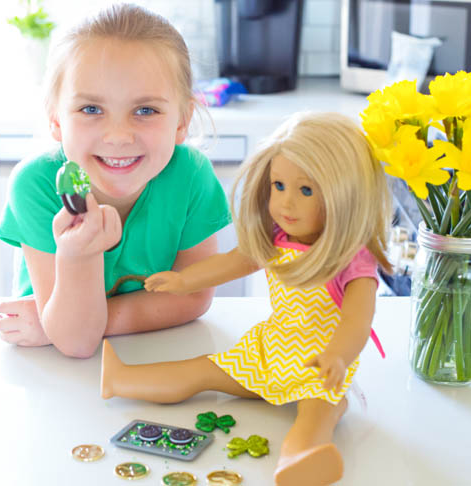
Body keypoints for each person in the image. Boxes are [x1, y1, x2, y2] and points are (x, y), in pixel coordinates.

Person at [100, 112, 392, 486]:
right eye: (279, 185)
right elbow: (232, 262)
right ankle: (121, 379)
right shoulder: (276, 238)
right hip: (271, 350)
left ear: (345, 195)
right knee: (204, 370)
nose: (286, 203)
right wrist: (184, 279)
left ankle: (299, 461)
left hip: (319, 366)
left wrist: (338, 356)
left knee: (317, 410)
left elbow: (357, 319)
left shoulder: (350, 259)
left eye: (306, 191)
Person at [0, 4, 231, 358]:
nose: (118, 136)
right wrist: (75, 256)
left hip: (155, 357)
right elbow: (75, 343)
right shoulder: (36, 185)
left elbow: (194, 295)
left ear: (181, 121)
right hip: (50, 373)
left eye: (145, 110)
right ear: (56, 120)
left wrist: (64, 322)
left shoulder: (191, 175)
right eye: (91, 110)